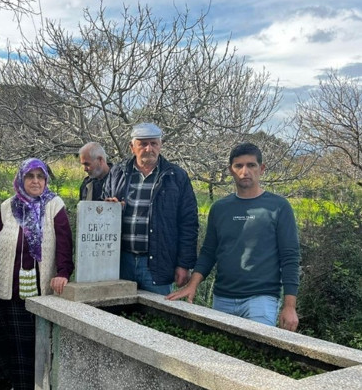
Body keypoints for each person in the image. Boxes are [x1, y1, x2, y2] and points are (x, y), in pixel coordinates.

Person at [166, 143, 300, 330]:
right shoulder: (220, 208)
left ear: (261, 169)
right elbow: (208, 252)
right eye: (239, 166)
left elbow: (290, 258)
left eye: (251, 165)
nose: (245, 171)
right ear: (231, 170)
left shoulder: (278, 207)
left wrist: (289, 306)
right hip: (223, 299)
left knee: (257, 352)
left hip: (261, 299)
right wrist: (192, 285)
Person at [0, 158, 74, 390]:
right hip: (7, 285)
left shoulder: (54, 206)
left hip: (39, 286)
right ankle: (15, 385)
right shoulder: (8, 206)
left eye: (39, 177)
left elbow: (65, 243)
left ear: (45, 180)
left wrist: (63, 271)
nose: (35, 181)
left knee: (33, 339)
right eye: (30, 176)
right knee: (11, 337)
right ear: (21, 179)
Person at [102, 122, 198, 295]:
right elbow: (100, 210)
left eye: (154, 143)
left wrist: (184, 264)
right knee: (116, 315)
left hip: (157, 264)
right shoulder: (118, 172)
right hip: (121, 261)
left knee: (156, 317)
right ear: (132, 147)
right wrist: (110, 207)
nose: (149, 148)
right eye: (143, 144)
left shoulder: (176, 177)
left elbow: (188, 224)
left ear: (160, 145)